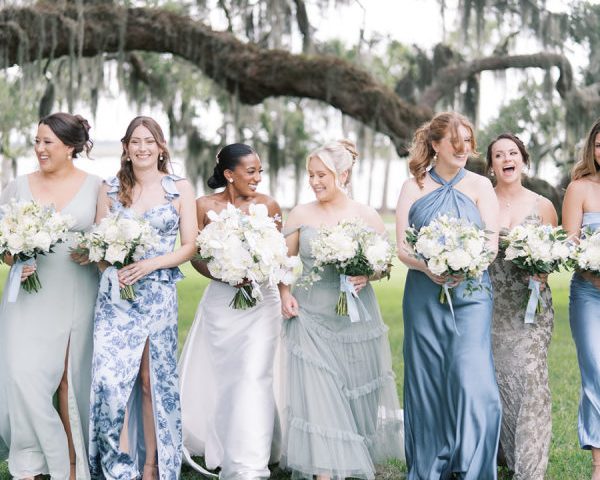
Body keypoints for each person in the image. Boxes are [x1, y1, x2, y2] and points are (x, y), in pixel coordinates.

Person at [279, 139, 403, 480]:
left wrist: (368, 273)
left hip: (356, 317)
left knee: (354, 394)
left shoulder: (366, 215)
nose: (315, 182)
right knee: (319, 399)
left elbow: (384, 264)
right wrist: (284, 292)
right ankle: (324, 472)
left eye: (322, 175)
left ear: (343, 174)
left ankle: (350, 461)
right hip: (310, 315)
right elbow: (283, 263)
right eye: (311, 175)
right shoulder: (301, 214)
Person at [88, 116, 197, 480]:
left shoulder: (179, 188)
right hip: (117, 296)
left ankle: (152, 464)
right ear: (126, 147)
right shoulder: (109, 188)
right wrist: (112, 262)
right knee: (111, 381)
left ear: (161, 146)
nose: (142, 148)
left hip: (157, 295)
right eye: (135, 141)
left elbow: (190, 247)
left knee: (151, 382)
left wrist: (149, 265)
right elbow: (99, 243)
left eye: (149, 141)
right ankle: (117, 465)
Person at [395, 112, 501, 479]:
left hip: (472, 294)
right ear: (436, 144)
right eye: (455, 142)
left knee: (472, 378)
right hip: (424, 294)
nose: (463, 149)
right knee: (427, 379)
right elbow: (401, 248)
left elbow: (491, 243)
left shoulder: (481, 186)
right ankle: (430, 463)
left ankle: (473, 466)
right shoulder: (414, 186)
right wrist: (429, 267)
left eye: (468, 141)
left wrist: (467, 265)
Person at [0, 112, 100, 480]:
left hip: (76, 291)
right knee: (21, 375)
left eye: (48, 143)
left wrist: (94, 252)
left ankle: (70, 466)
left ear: (70, 147)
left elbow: (105, 242)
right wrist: (15, 256)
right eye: (37, 141)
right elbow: (4, 246)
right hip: (27, 296)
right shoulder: (18, 186)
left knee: (67, 380)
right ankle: (31, 460)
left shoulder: (95, 187)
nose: (40, 149)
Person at [178, 143, 283, 480]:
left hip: (262, 303)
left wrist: (255, 271)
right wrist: (225, 273)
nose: (257, 177)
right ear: (229, 174)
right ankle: (224, 447)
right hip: (222, 303)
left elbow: (277, 256)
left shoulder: (269, 206)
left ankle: (250, 463)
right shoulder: (203, 206)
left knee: (254, 376)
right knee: (228, 380)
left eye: (260, 171)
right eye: (251, 171)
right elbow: (195, 255)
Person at [486, 133, 557, 479]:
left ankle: (529, 468)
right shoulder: (481, 203)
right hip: (492, 308)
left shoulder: (543, 206)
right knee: (497, 383)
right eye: (498, 155)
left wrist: (543, 271)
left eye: (512, 152)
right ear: (491, 166)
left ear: (523, 160)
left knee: (529, 383)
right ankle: (502, 457)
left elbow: (555, 255)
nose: (506, 159)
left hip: (532, 309)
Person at [562, 118, 600, 480]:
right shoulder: (579, 188)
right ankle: (599, 465)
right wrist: (591, 266)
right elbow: (569, 244)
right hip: (589, 293)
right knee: (596, 373)